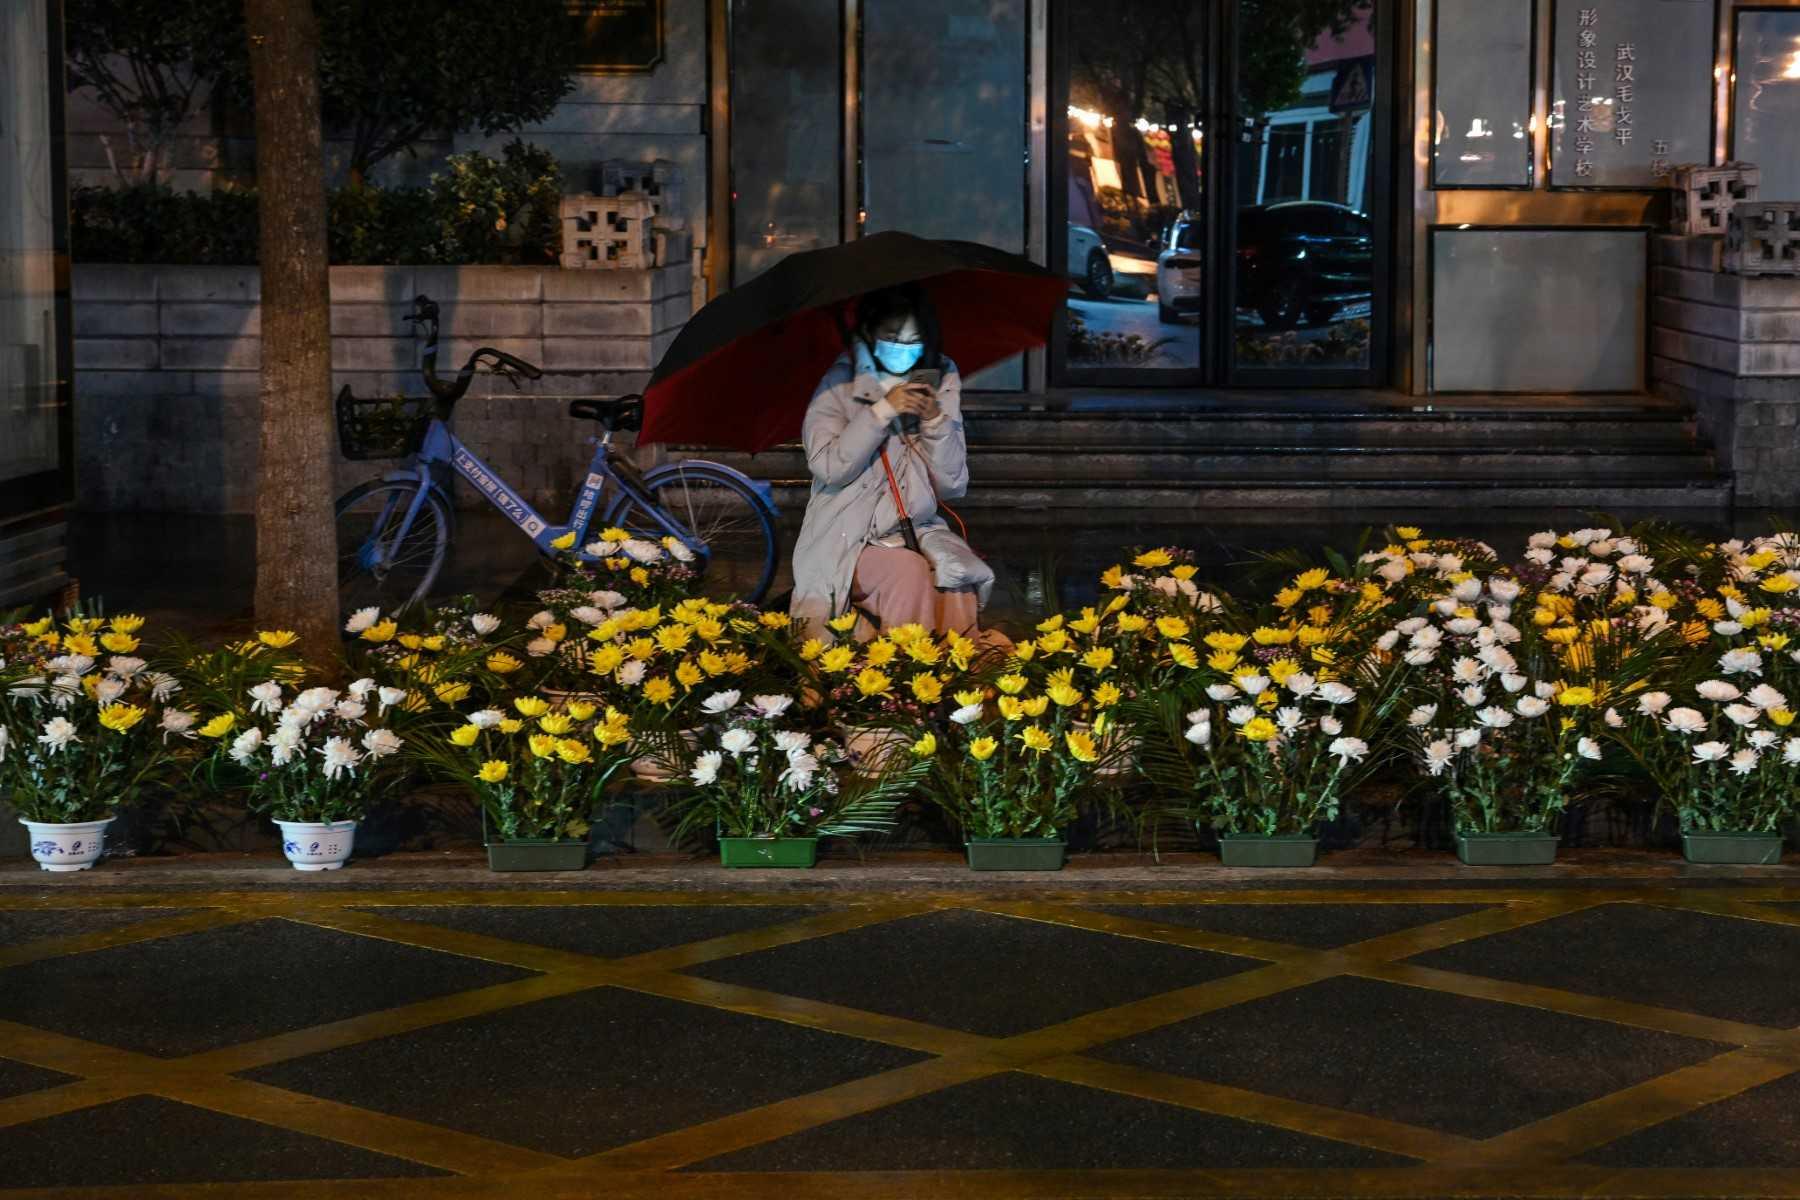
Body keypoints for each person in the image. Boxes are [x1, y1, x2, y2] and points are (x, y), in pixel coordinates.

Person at [788, 285, 996, 642]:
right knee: (908, 573)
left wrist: (934, 422)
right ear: (869, 333)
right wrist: (882, 412)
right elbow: (829, 467)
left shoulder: (937, 378)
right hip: (846, 537)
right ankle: (901, 681)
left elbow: (952, 485)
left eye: (914, 339)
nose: (903, 348)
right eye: (892, 337)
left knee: (958, 576)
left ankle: (958, 678)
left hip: (915, 530)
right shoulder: (838, 385)